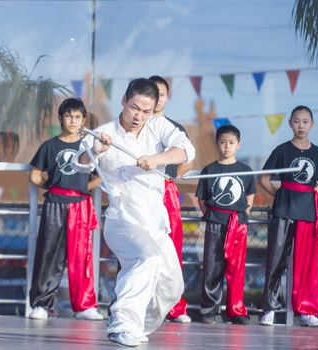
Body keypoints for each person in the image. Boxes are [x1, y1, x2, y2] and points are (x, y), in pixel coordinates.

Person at [73, 78, 195, 347]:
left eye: (146, 111)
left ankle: (134, 324)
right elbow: (78, 165)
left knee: (172, 287)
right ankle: (122, 323)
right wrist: (95, 149)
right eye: (134, 108)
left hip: (155, 223)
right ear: (124, 101)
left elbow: (187, 150)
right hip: (123, 220)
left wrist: (156, 159)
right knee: (147, 258)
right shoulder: (105, 133)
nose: (139, 116)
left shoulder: (158, 126)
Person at [28, 98, 103, 321]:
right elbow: (34, 176)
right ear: (61, 118)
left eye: (78, 117)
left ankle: (84, 307)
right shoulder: (49, 146)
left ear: (84, 120)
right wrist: (55, 186)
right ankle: (41, 304)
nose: (73, 120)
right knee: (48, 254)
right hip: (54, 203)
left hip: (80, 205)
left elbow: (101, 177)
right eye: (69, 116)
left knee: (81, 256)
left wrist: (81, 188)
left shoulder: (89, 147)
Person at [259, 105, 318, 327]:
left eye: (305, 121)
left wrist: (310, 195)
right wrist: (281, 194)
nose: (301, 125)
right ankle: (270, 309)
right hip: (283, 211)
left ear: (312, 124)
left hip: (308, 213)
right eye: (297, 121)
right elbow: (263, 179)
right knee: (275, 260)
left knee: (306, 264)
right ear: (290, 123)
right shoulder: (281, 150)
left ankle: (307, 311)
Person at [195, 125, 255, 325]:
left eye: (231, 143)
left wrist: (241, 217)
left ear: (238, 145)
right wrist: (213, 216)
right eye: (222, 142)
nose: (226, 147)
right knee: (212, 268)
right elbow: (202, 199)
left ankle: (236, 311)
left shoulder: (245, 170)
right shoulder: (210, 169)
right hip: (215, 223)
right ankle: (209, 310)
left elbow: (250, 197)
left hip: (237, 225)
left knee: (236, 270)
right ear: (217, 144)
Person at [149, 75, 193, 323]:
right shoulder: (135, 125)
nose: (157, 98)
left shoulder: (175, 128)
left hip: (166, 193)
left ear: (166, 97)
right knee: (139, 247)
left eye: (162, 93)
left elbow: (188, 162)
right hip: (141, 193)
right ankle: (136, 304)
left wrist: (170, 178)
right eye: (152, 92)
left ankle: (176, 307)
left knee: (172, 250)